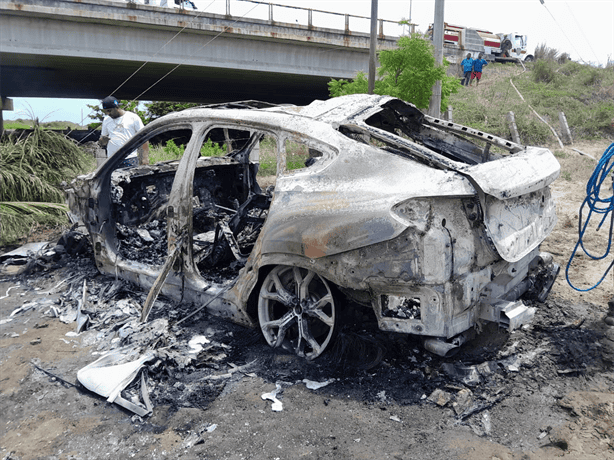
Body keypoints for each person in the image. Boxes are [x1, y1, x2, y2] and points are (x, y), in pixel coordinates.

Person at [99, 96, 148, 167]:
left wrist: (145, 158)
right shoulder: (106, 120)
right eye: (105, 111)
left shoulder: (132, 117)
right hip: (112, 160)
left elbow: (144, 137)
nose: (108, 113)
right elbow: (102, 141)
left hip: (129, 158)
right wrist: (103, 140)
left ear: (117, 107)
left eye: (109, 110)